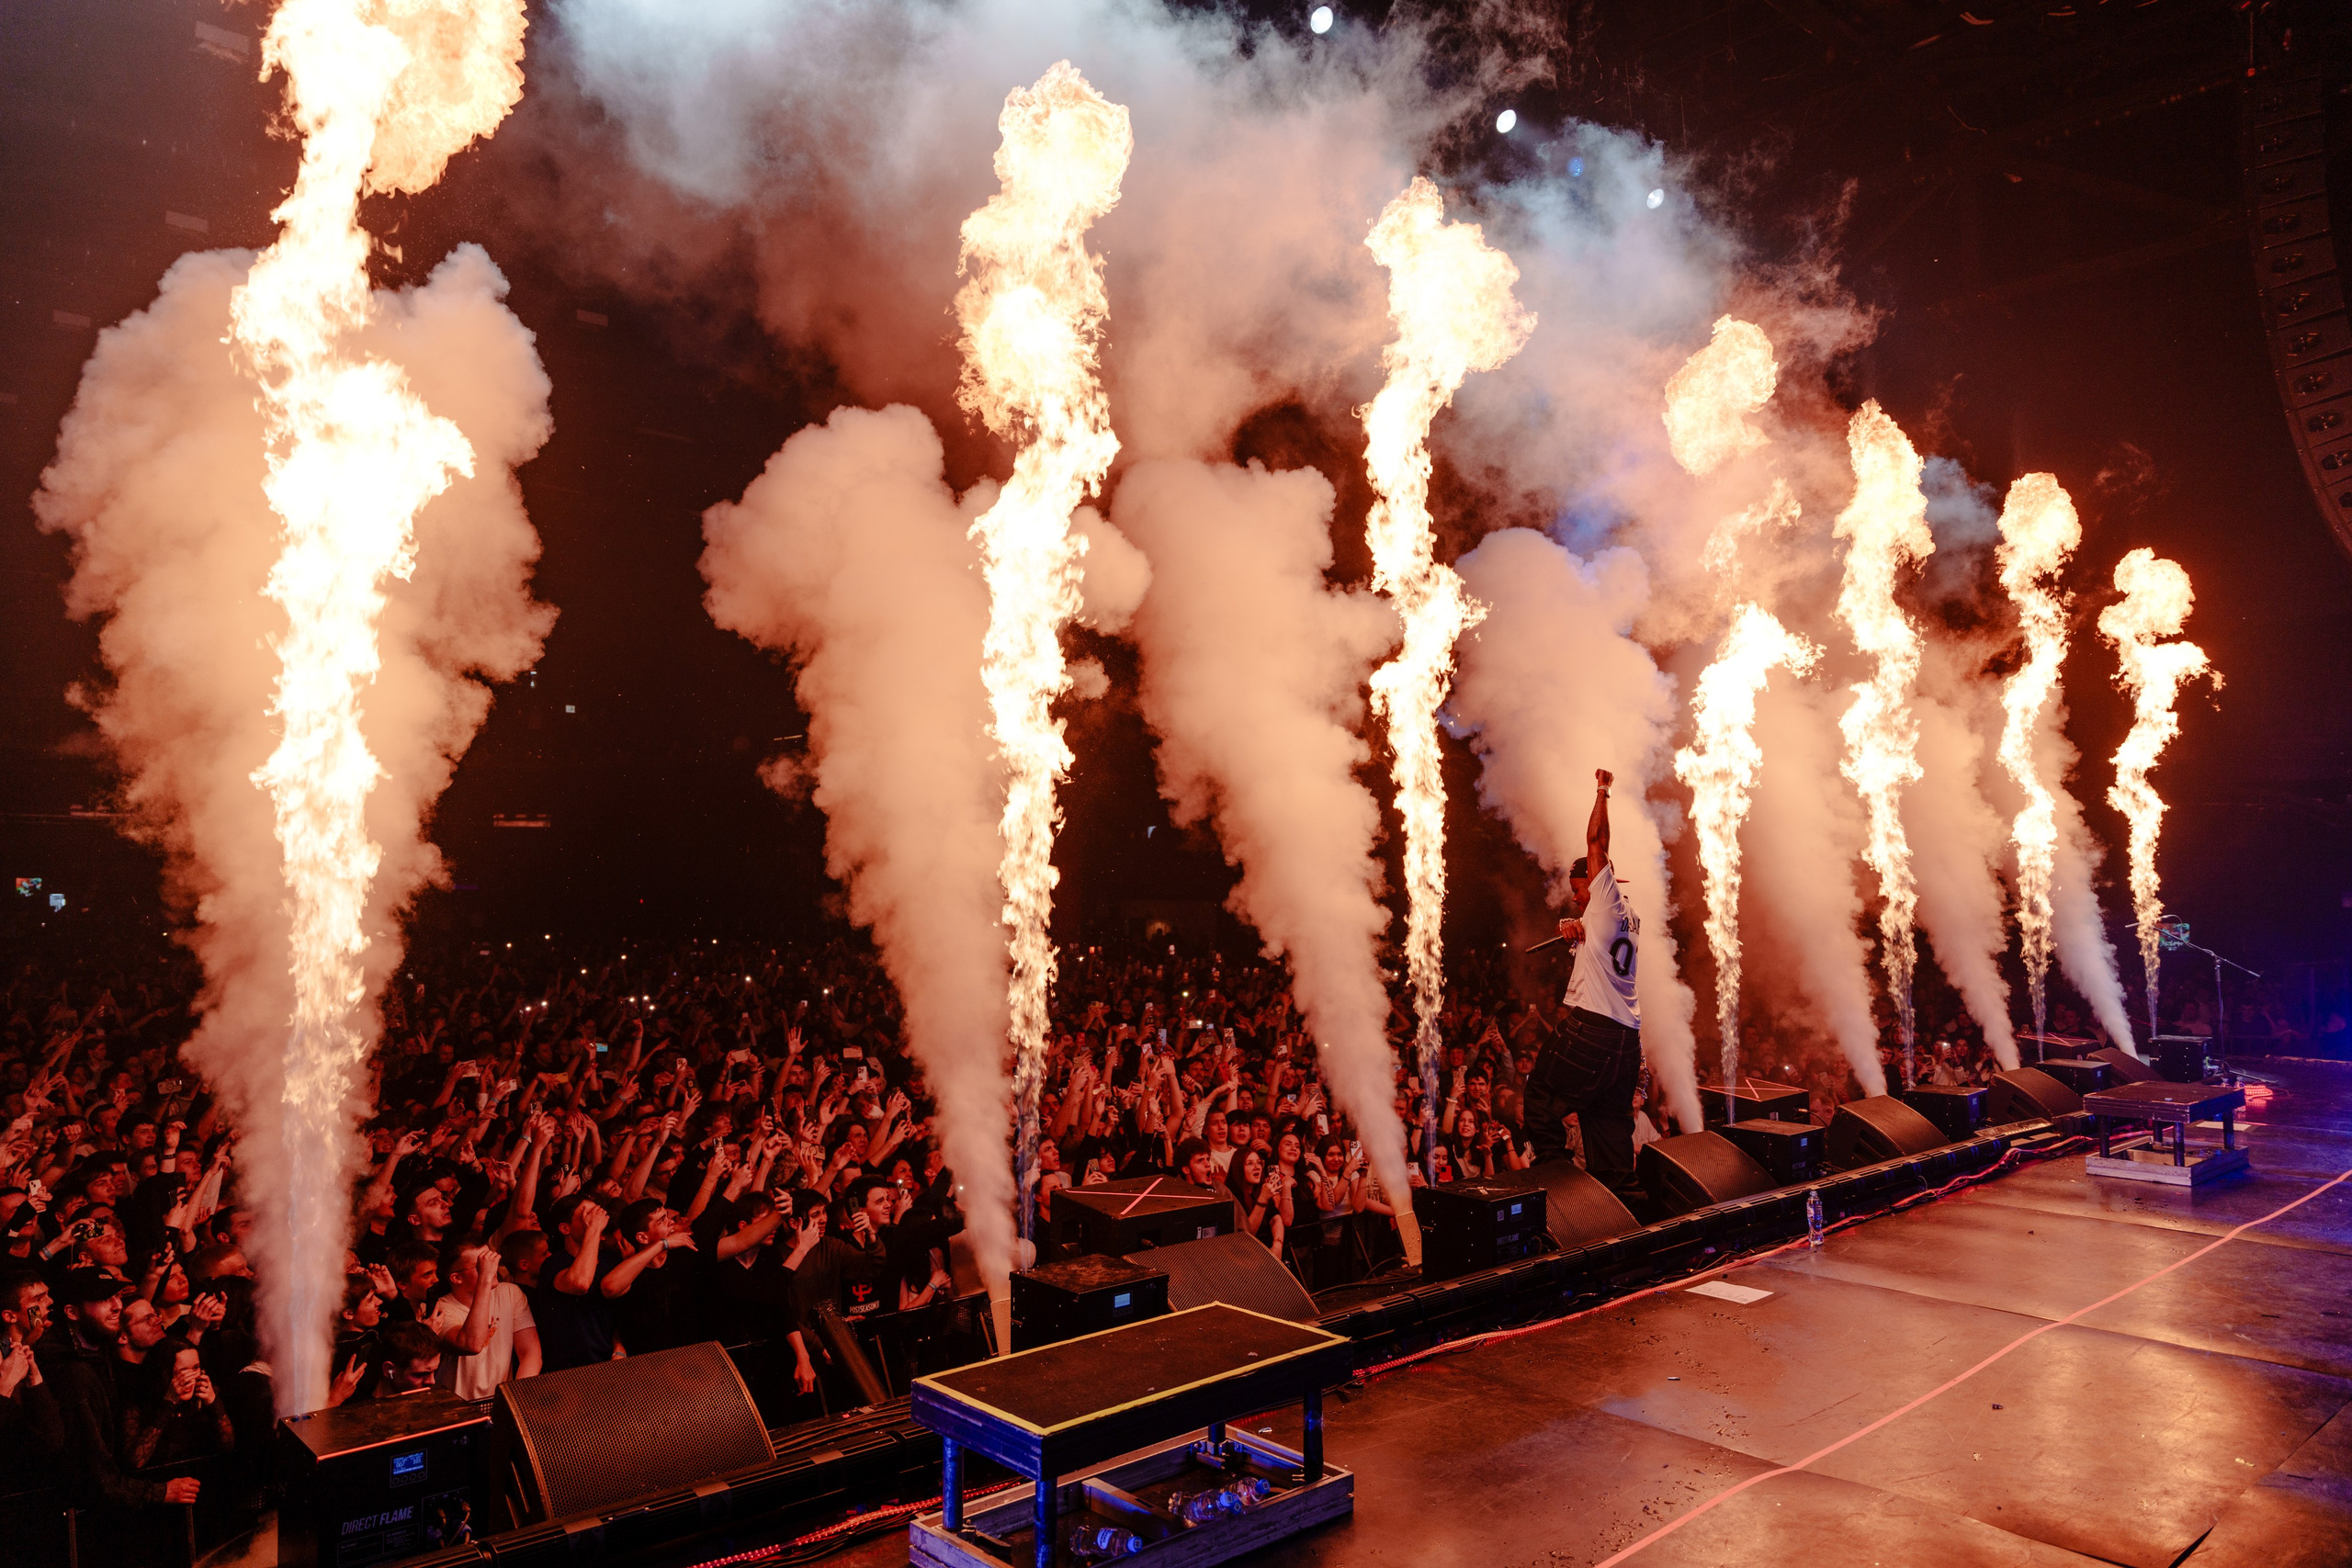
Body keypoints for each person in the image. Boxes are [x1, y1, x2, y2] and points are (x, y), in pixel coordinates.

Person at [1523, 771, 1646, 1205]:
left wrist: (1601, 791)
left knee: (1539, 1099)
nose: (1576, 898)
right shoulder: (1624, 916)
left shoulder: (1607, 898)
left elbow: (1596, 843)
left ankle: (1557, 1186)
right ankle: (1626, 1212)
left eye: (1580, 889)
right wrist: (1569, 927)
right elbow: (1588, 947)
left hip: (1592, 1032)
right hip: (1625, 1041)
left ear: (1598, 881)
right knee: (1607, 1125)